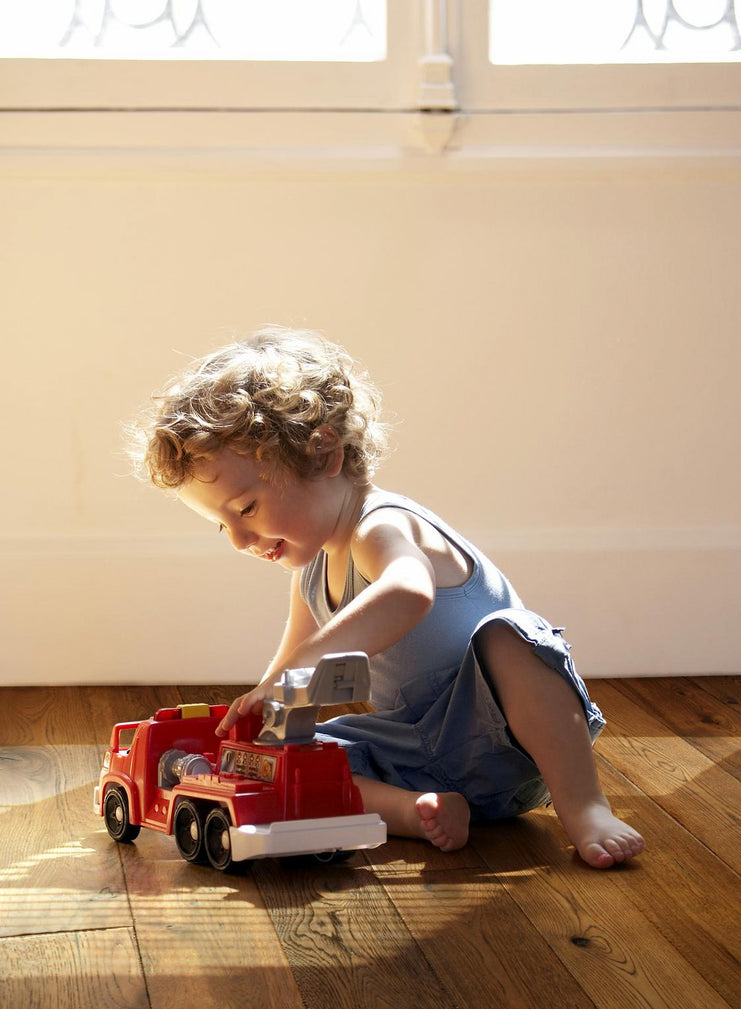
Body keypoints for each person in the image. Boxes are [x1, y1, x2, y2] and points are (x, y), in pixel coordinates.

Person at [132, 327, 644, 868]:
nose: (239, 540)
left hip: (499, 734)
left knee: (510, 638)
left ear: (323, 453)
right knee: (294, 755)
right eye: (222, 526)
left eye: (247, 509)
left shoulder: (378, 526)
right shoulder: (310, 578)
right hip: (412, 749)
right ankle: (417, 811)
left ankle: (585, 807)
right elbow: (287, 673)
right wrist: (261, 711)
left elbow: (409, 592)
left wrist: (307, 662)